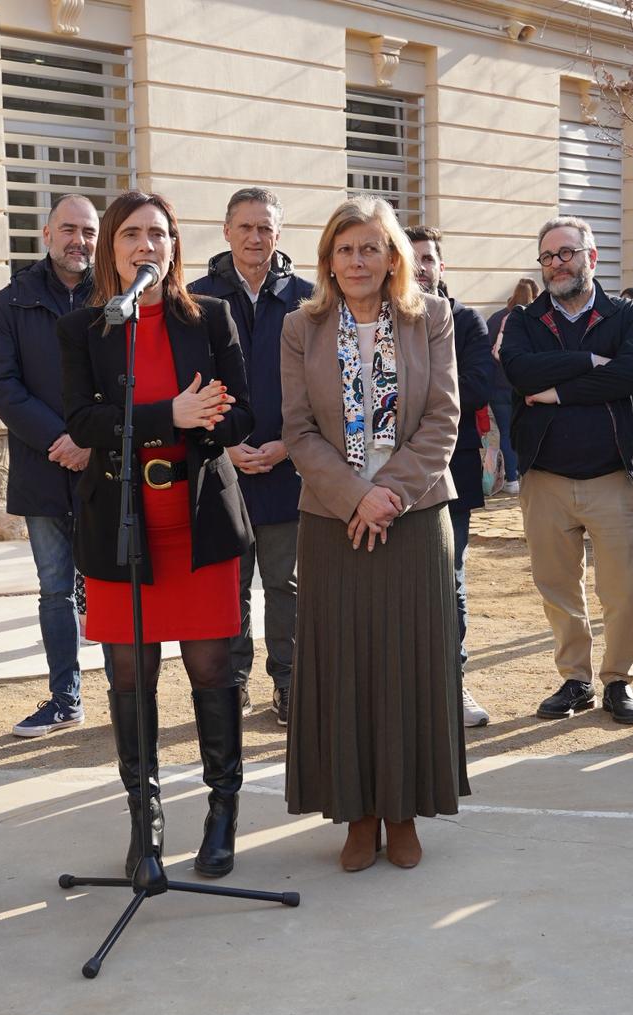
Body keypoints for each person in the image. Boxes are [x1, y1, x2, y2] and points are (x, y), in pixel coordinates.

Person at [61, 189, 254, 880]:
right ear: (111, 247)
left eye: (160, 234)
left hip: (197, 523)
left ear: (175, 246)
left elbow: (242, 415)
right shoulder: (85, 329)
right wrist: (168, 414)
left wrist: (207, 420)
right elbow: (82, 422)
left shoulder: (213, 318)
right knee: (130, 676)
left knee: (211, 670)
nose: (148, 245)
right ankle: (146, 827)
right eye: (132, 234)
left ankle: (222, 811)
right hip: (120, 526)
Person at [281, 195, 467, 872]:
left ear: (393, 256)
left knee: (410, 665)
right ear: (328, 258)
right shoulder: (302, 327)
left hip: (415, 517)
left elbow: (444, 421)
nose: (357, 261)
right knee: (345, 669)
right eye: (344, 248)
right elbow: (297, 430)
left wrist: (387, 496)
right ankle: (358, 816)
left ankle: (404, 812)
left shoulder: (433, 318)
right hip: (332, 523)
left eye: (370, 247)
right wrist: (357, 497)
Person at [500, 217, 633, 727]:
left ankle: (618, 682)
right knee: (558, 588)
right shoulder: (525, 320)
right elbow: (520, 372)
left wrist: (559, 391)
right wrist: (591, 360)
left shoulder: (628, 313)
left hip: (612, 475)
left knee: (623, 590)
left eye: (566, 253)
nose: (556, 264)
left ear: (592, 258)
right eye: (547, 256)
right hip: (545, 478)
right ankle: (575, 680)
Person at [189, 187, 313, 724]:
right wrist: (224, 445)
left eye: (265, 227)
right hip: (223, 467)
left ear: (278, 234)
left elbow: (324, 386)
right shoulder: (194, 298)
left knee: (286, 585)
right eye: (245, 227)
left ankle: (287, 682)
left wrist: (291, 443)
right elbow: (187, 386)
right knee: (229, 584)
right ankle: (231, 682)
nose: (255, 237)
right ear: (226, 231)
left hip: (289, 467)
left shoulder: (310, 299)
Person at [0, 193, 99, 739]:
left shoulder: (117, 297)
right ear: (47, 235)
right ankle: (65, 696)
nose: (80, 240)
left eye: (90, 231)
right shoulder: (13, 301)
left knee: (117, 582)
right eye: (70, 229)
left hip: (107, 467)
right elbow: (4, 387)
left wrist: (93, 441)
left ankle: (130, 695)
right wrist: (61, 437)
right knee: (55, 586)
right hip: (43, 464)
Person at [406, 224, 493, 727]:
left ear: (442, 266)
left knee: (448, 578)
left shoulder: (467, 322)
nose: (419, 267)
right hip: (385, 475)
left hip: (448, 474)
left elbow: (478, 385)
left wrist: (417, 396)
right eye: (410, 257)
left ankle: (451, 683)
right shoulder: (380, 319)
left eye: (428, 259)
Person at [485, 277, 538, 495]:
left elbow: (485, 350)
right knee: (525, 430)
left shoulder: (497, 318)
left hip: (498, 385)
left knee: (506, 432)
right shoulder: (533, 318)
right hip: (524, 385)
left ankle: (512, 478)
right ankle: (527, 472)